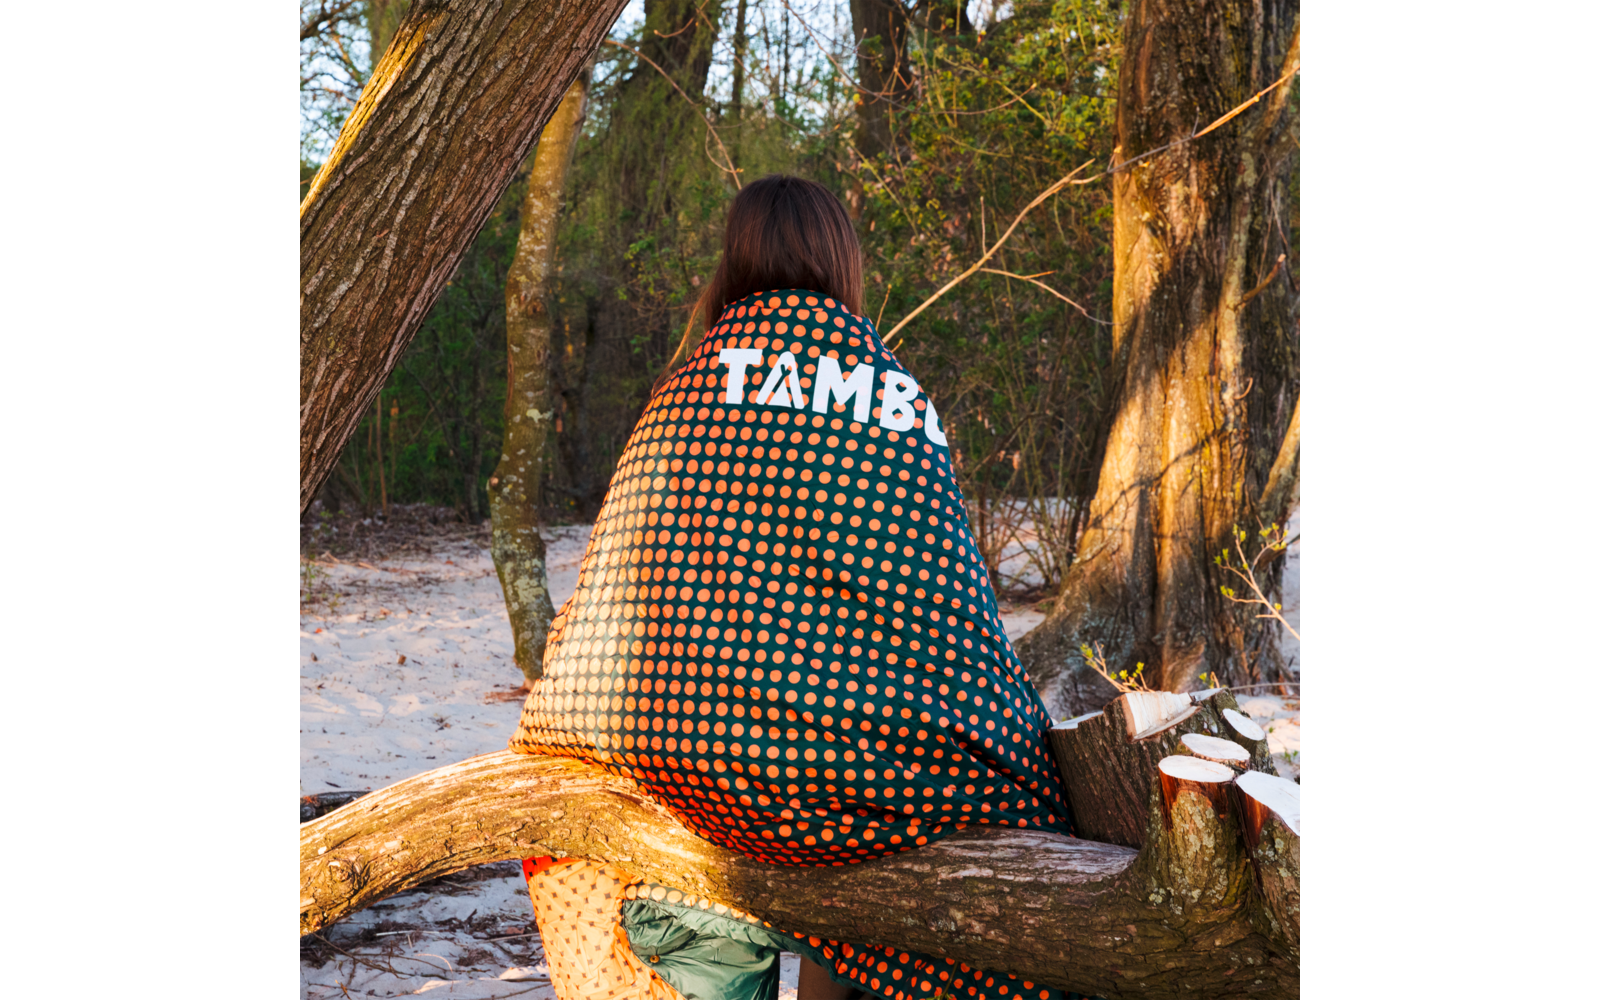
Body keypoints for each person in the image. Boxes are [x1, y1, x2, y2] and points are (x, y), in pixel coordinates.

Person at [507, 175, 1086, 1000]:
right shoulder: (901, 403)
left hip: (690, 786)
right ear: (844, 264)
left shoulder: (686, 392)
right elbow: (955, 622)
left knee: (687, 924)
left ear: (732, 263)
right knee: (900, 903)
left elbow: (614, 592)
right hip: (877, 793)